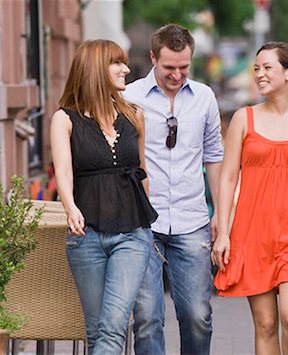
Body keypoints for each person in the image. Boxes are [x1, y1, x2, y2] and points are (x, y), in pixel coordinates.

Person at [212, 42, 288, 354]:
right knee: (265, 324)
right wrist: (223, 231)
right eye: (256, 68)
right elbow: (227, 178)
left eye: (267, 67)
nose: (260, 74)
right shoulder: (243, 118)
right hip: (253, 234)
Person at [50, 39, 158, 355]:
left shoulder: (134, 115)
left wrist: (149, 228)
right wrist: (70, 207)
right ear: (96, 68)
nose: (126, 69)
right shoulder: (64, 119)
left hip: (132, 233)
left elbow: (142, 170)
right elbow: (64, 173)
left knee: (112, 329)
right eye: (117, 63)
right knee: (96, 332)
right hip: (86, 236)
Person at [123, 24, 223, 355]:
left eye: (184, 67)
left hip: (191, 218)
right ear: (153, 57)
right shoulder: (129, 96)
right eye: (169, 68)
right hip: (142, 223)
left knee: (198, 315)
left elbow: (214, 157)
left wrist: (220, 213)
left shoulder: (205, 97)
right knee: (147, 318)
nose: (177, 75)